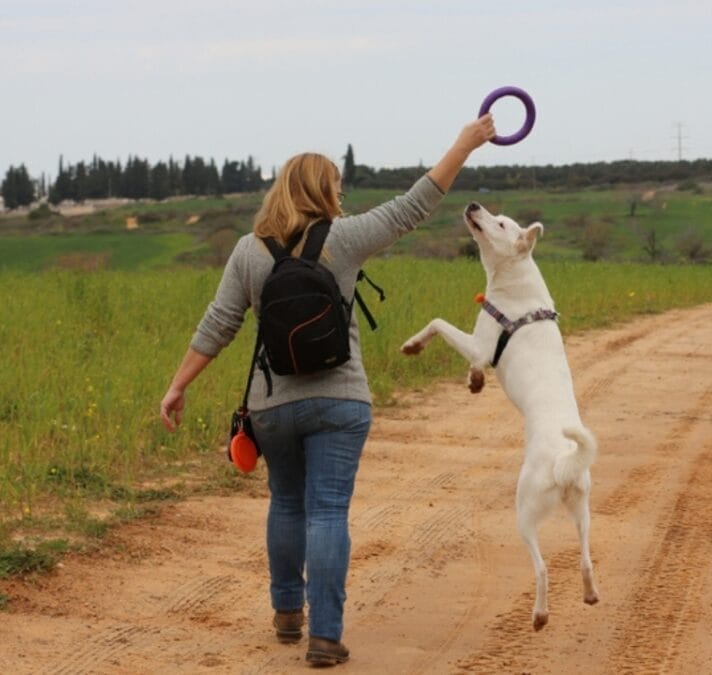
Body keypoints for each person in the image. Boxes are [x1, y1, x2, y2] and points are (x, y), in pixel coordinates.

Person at [159, 113, 496, 666]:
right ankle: (325, 636)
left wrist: (177, 387)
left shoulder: (249, 251)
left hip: (273, 406)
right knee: (328, 512)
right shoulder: (344, 238)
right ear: (323, 192)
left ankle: (288, 613)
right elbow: (417, 203)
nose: (341, 195)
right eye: (337, 187)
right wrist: (464, 143)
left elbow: (219, 324)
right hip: (341, 401)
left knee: (287, 503)